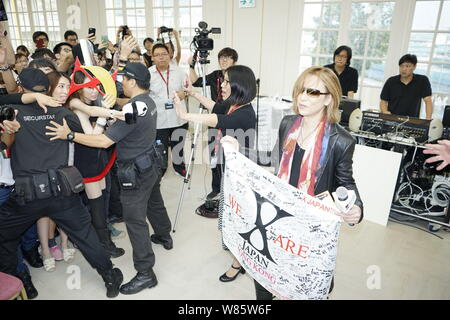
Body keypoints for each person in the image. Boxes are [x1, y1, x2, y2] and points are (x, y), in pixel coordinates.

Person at [221, 66, 364, 299]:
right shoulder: (288, 123)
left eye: (313, 92)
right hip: (276, 214)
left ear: (329, 99)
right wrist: (240, 150)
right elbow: (273, 157)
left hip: (308, 225)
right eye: (301, 90)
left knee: (302, 283)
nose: (303, 97)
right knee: (265, 274)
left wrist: (356, 208)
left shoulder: (341, 141)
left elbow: (346, 183)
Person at [46, 62, 172, 295]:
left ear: (133, 82)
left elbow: (104, 141)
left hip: (135, 170)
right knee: (155, 201)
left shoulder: (130, 112)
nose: (120, 83)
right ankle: (164, 234)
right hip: (151, 163)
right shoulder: (148, 102)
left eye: (123, 79)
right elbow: (124, 113)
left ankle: (146, 273)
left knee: (135, 221)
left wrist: (71, 135)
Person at [0, 67, 124, 298]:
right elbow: (91, 134)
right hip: (61, 193)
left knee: (4, 236)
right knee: (85, 235)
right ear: (47, 89)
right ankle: (109, 276)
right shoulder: (62, 113)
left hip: (26, 196)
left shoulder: (11, 113)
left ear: (21, 89)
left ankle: (19, 281)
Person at [174, 64, 257, 282]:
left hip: (240, 176)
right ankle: (235, 250)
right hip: (229, 169)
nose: (223, 85)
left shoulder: (245, 113)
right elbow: (215, 108)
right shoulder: (234, 105)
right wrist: (194, 94)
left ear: (239, 85)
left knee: (238, 218)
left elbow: (217, 120)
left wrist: (185, 114)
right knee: (229, 213)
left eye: (228, 81)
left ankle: (238, 263)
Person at [67, 69, 125, 258]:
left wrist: (108, 117)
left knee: (100, 202)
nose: (94, 91)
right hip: (86, 160)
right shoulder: (75, 103)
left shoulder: (91, 103)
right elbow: (93, 137)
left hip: (98, 158)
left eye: (97, 86)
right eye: (90, 86)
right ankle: (103, 244)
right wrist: (106, 115)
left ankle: (103, 239)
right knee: (96, 205)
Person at [188, 47, 238, 200]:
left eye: (228, 57)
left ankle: (230, 190)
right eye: (221, 57)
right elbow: (196, 81)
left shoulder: (238, 77)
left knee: (229, 157)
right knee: (213, 155)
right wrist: (191, 66)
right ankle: (216, 188)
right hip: (214, 118)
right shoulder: (215, 75)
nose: (224, 60)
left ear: (234, 61)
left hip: (231, 119)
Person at [149, 43, 188, 177]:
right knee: (161, 148)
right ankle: (161, 169)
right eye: (157, 55)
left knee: (178, 145)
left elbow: (188, 89)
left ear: (169, 55)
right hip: (159, 120)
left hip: (179, 117)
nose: (161, 57)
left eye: (164, 54)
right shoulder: (148, 74)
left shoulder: (179, 71)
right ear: (152, 57)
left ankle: (179, 167)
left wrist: (185, 94)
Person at [380, 54, 433, 119]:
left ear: (414, 67)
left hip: (412, 122)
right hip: (392, 120)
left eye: (407, 66)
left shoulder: (422, 80)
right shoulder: (391, 81)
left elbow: (428, 101)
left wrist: (428, 120)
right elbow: (383, 101)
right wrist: (385, 112)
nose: (404, 69)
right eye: (401, 66)